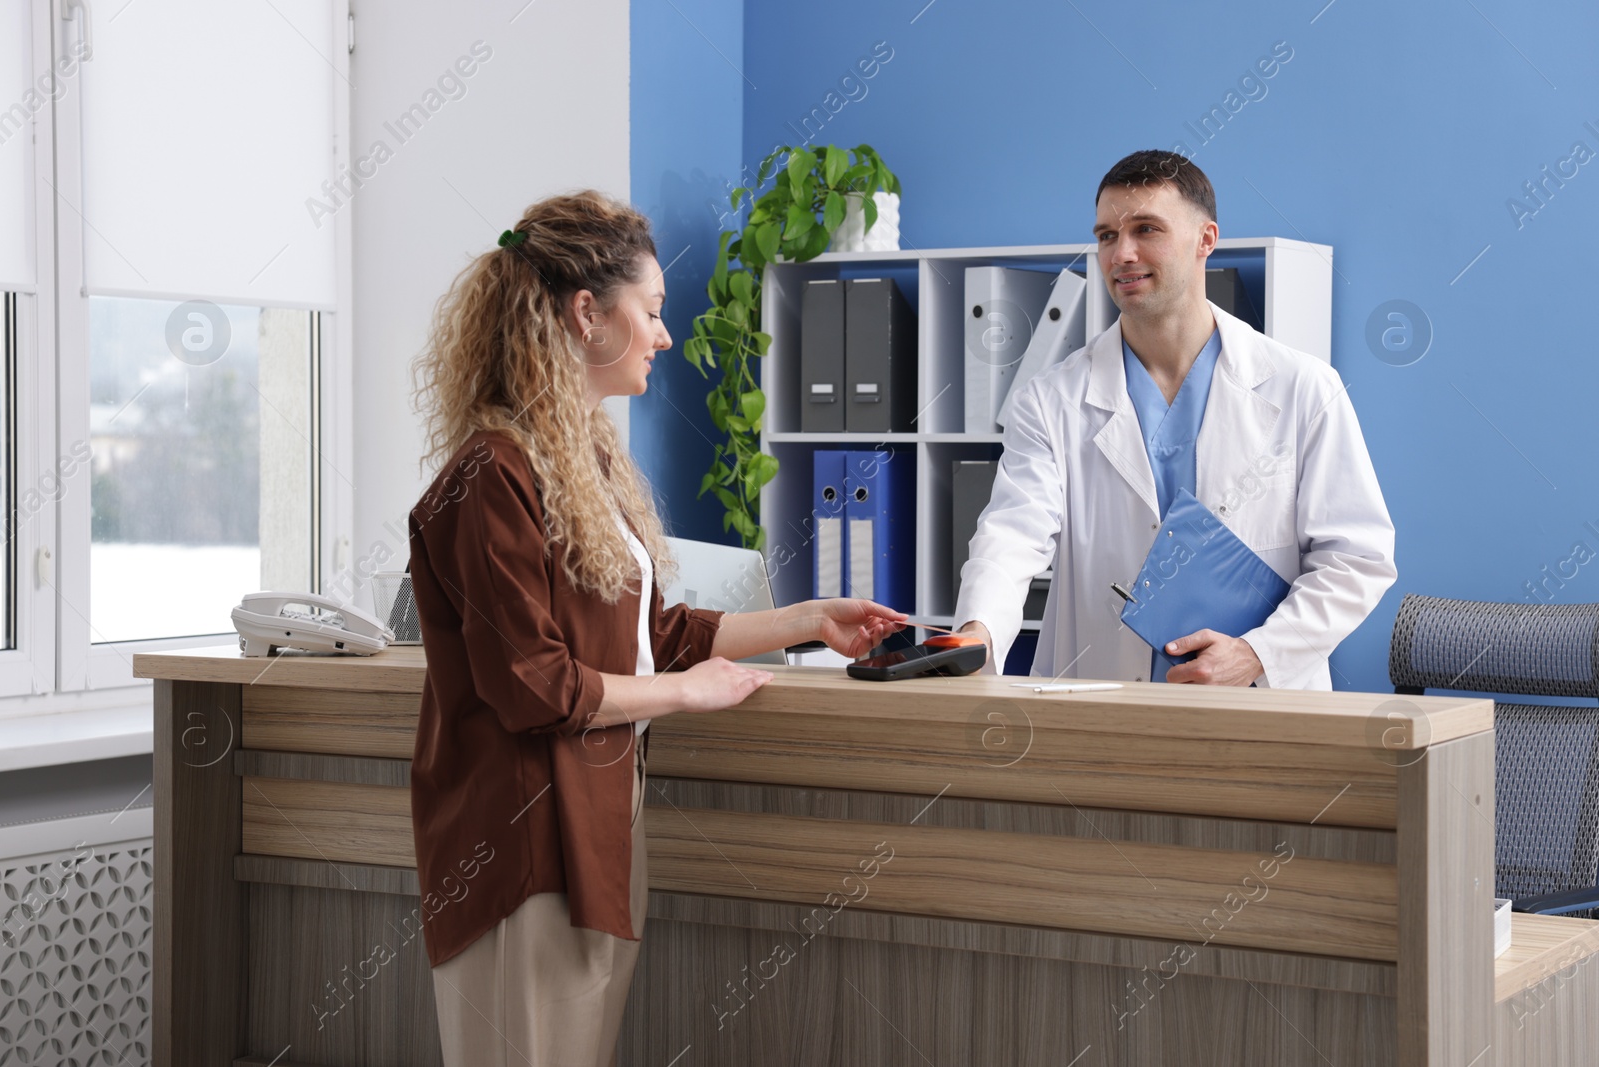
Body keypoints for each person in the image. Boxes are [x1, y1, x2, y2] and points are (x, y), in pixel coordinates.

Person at [406, 190, 906, 1066]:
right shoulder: (492, 472)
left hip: (595, 817)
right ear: (586, 313)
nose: (665, 336)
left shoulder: (581, 456)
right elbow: (534, 684)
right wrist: (685, 695)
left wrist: (806, 618)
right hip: (523, 837)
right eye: (655, 312)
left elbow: (652, 635)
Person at [955, 151, 1395, 688]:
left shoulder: (1303, 388)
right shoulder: (1050, 401)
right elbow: (1010, 535)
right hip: (1102, 692)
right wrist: (976, 635)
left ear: (1205, 240)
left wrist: (1258, 652)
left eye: (1146, 229)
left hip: (1258, 703)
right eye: (1106, 236)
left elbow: (1357, 558)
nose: (1123, 254)